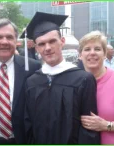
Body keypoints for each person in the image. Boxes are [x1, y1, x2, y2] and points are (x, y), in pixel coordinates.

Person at [24, 12, 100, 144]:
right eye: (41, 44)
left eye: (52, 41)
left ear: (62, 42)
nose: (47, 48)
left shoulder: (83, 79)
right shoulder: (32, 82)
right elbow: (28, 123)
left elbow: (89, 129)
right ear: (36, 48)